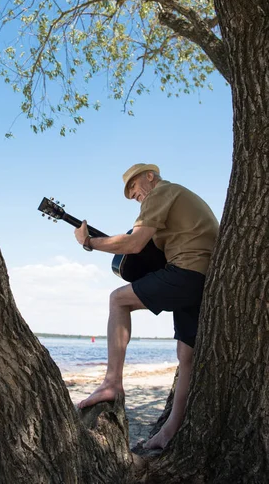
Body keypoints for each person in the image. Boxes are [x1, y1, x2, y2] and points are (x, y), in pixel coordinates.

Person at [74, 163, 219, 449]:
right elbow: (146, 251)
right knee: (185, 354)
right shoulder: (175, 200)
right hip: (207, 279)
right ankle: (170, 431)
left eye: (133, 186)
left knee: (118, 299)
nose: (132, 194)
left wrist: (88, 241)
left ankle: (112, 383)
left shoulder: (161, 192)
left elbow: (134, 243)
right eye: (128, 192)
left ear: (150, 176)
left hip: (188, 272)